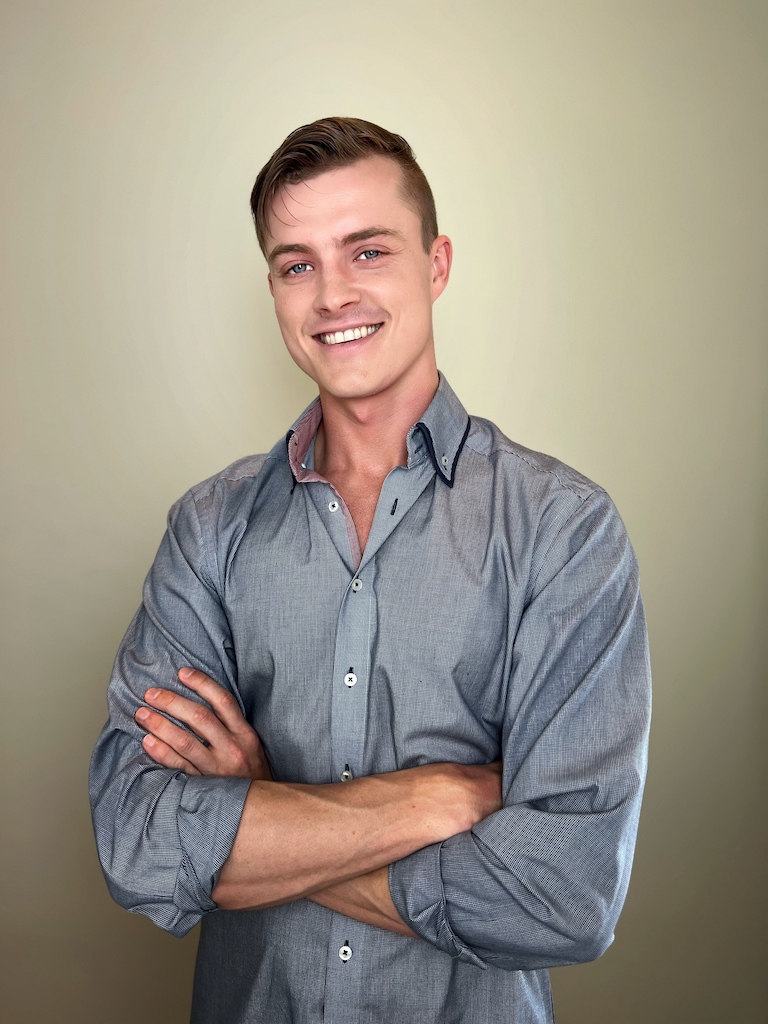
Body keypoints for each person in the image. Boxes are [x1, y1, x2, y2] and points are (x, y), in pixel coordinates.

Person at [89, 117, 651, 1024]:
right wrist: (429, 801)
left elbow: (564, 895)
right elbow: (139, 843)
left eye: (368, 251)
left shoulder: (563, 531)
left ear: (437, 264)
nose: (332, 295)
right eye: (296, 265)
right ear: (273, 289)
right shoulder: (208, 529)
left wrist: (261, 810)